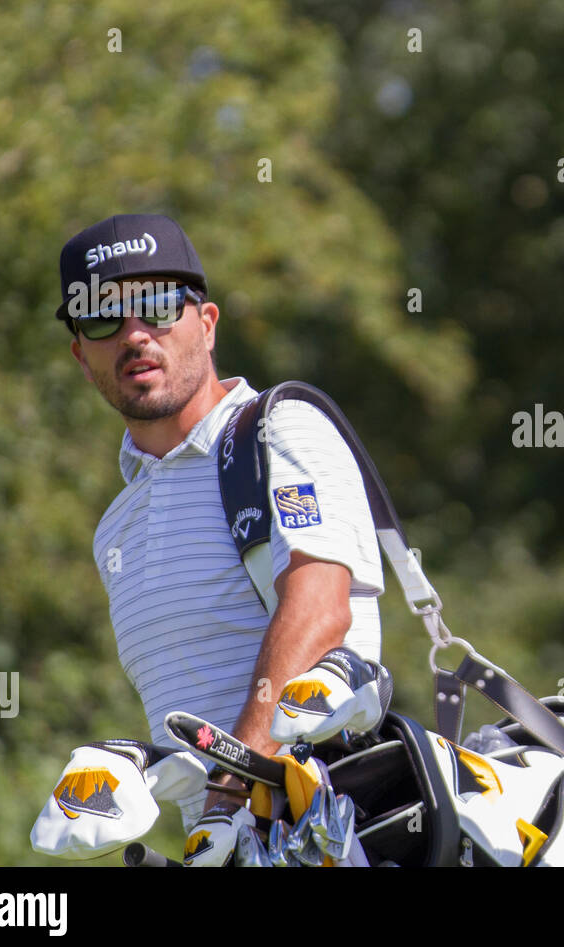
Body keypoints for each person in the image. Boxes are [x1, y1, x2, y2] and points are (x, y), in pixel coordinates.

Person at [56, 213, 386, 836]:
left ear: (205, 325)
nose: (135, 335)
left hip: (338, 827)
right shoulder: (114, 529)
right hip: (228, 844)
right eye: (103, 318)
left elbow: (319, 611)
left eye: (156, 306)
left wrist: (231, 791)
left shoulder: (279, 429)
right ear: (81, 353)